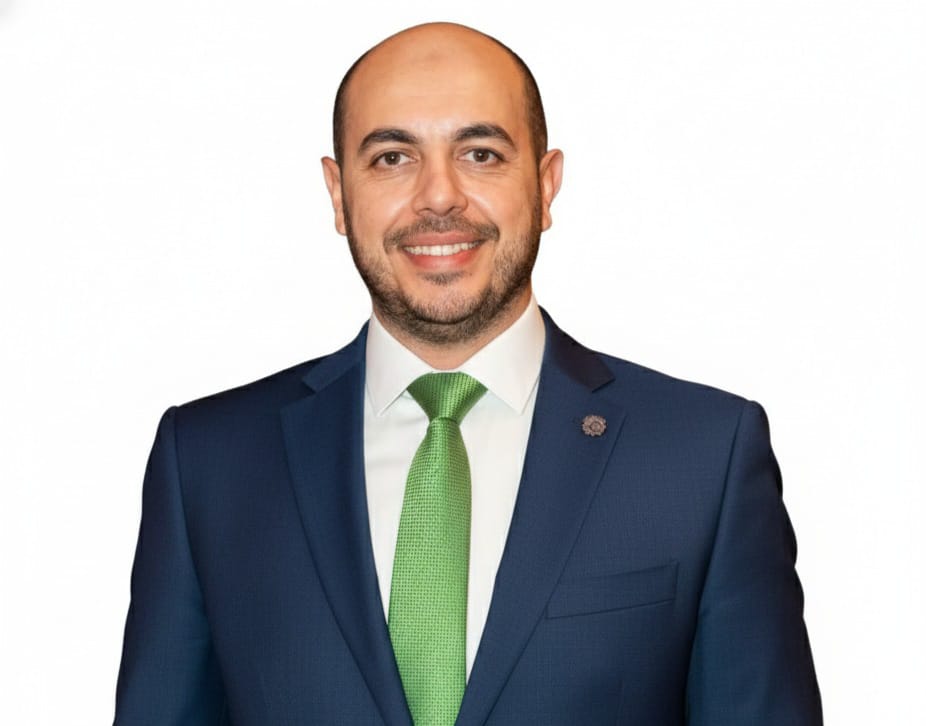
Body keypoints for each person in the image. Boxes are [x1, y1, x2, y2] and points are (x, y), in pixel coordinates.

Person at [113, 22, 822, 726]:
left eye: (480, 154)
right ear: (338, 193)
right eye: (392, 157)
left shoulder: (702, 457)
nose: (439, 197)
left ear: (546, 184)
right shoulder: (209, 462)